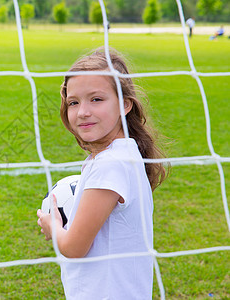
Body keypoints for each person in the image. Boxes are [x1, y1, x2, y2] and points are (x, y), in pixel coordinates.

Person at [37, 47, 168, 299]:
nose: (83, 111)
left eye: (96, 99)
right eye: (74, 102)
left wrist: (53, 226)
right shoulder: (123, 155)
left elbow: (74, 247)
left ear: (125, 104)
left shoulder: (110, 165)